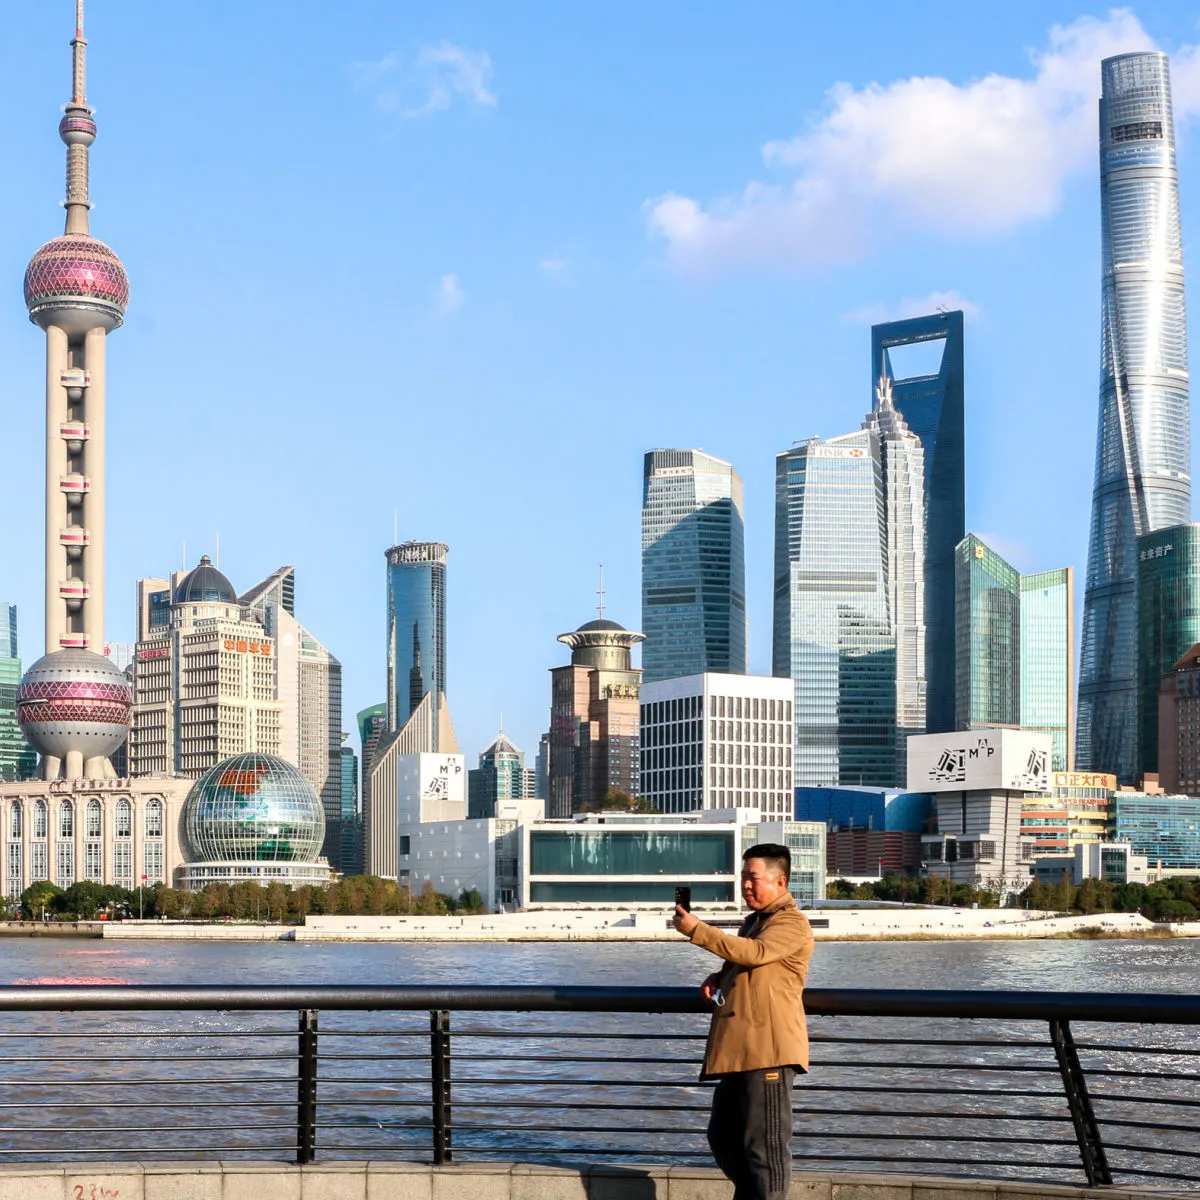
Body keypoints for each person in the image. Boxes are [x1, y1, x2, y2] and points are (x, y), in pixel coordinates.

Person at [673, 842, 814, 1200]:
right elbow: (749, 963)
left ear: (780, 882)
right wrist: (720, 976)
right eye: (743, 878)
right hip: (741, 1051)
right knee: (723, 1137)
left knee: (765, 1149)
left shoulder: (791, 922)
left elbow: (758, 954)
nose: (746, 885)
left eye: (754, 878)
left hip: (768, 1052)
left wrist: (697, 929)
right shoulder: (755, 922)